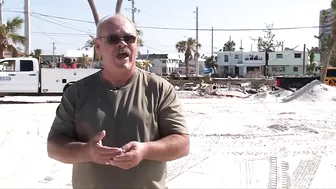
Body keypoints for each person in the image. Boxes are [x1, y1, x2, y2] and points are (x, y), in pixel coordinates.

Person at [47, 13, 190, 189]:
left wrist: (145, 151)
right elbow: (54, 147)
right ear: (98, 47)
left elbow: (182, 144)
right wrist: (87, 152)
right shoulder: (77, 93)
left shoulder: (159, 89)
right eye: (113, 39)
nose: (122, 44)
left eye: (129, 38)